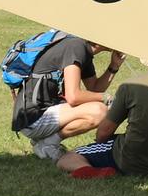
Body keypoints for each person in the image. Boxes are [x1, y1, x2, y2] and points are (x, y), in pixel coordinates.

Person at [14, 33, 121, 165]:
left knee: (99, 107)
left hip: (41, 113)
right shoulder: (76, 47)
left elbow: (95, 89)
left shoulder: (83, 49)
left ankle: (45, 141)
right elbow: (73, 97)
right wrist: (107, 98)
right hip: (32, 118)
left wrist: (114, 66)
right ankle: (48, 144)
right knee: (99, 111)